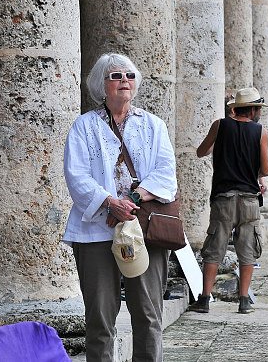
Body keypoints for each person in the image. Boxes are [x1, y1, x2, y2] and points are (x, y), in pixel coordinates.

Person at [63, 53, 178, 361]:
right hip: (96, 230)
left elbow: (167, 172)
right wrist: (110, 202)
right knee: (100, 318)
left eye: (129, 75)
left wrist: (133, 200)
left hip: (145, 227)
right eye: (116, 76)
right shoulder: (83, 126)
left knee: (148, 314)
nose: (124, 81)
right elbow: (76, 174)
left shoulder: (153, 125)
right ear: (102, 85)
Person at [189, 87, 268, 314]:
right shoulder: (260, 132)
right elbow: (265, 168)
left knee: (214, 248)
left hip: (223, 198)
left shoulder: (219, 125)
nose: (259, 114)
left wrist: (221, 146)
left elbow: (201, 151)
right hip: (248, 200)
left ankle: (205, 298)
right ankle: (244, 300)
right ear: (253, 109)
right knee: (247, 250)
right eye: (258, 109)